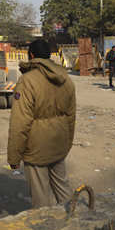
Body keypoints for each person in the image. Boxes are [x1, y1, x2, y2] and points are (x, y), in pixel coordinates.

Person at [7, 39, 76, 208]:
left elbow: (20, 122)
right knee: (64, 191)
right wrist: (67, 144)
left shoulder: (27, 81)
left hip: (36, 148)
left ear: (31, 55)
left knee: (41, 198)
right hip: (59, 143)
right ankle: (76, 224)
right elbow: (71, 116)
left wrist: (14, 156)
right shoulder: (65, 78)